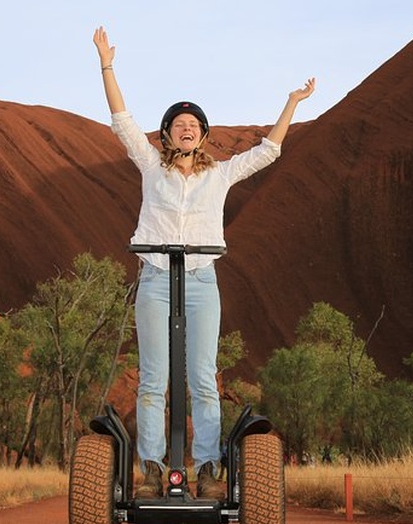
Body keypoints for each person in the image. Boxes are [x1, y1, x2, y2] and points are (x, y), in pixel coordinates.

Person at [93, 25, 314, 500]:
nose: (186, 128)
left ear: (203, 134)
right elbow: (121, 121)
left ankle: (209, 470)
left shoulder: (222, 174)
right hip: (155, 278)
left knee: (203, 379)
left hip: (200, 279)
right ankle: (152, 471)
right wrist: (107, 64)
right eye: (178, 124)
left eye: (194, 124)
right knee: (153, 379)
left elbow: (269, 152)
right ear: (169, 134)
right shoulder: (151, 166)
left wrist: (292, 103)